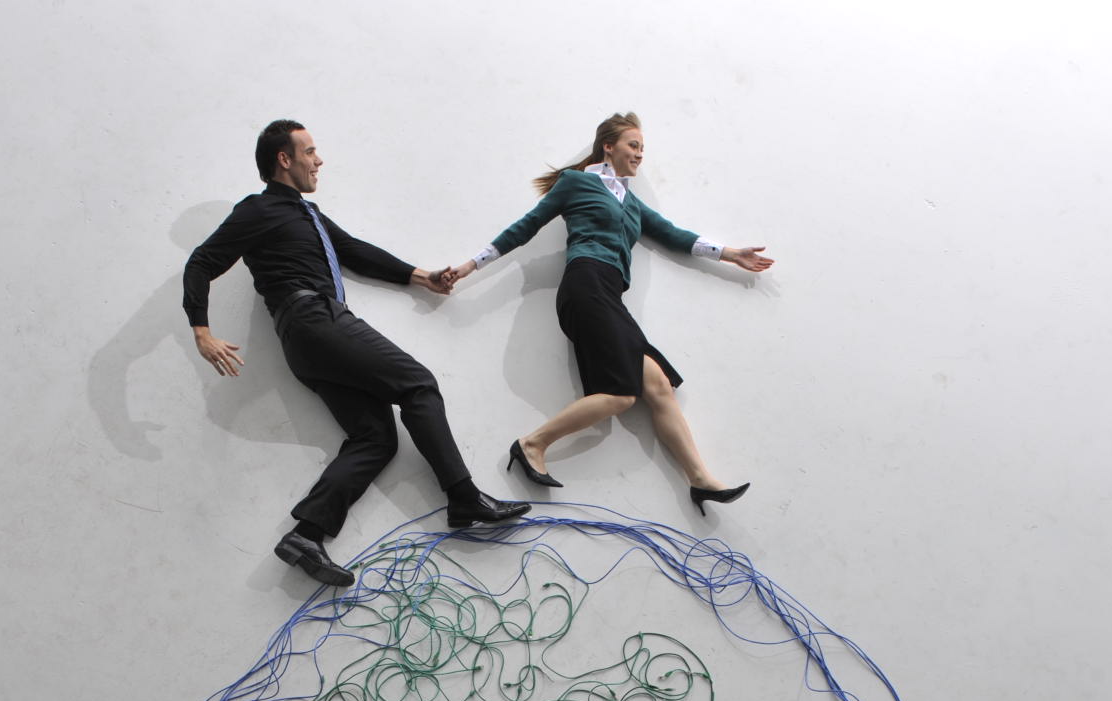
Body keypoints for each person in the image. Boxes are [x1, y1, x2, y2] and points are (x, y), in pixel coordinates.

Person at [183, 121, 529, 588]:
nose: (319, 160)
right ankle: (463, 496)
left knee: (375, 438)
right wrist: (202, 331)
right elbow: (202, 261)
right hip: (314, 320)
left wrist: (420, 276)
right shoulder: (259, 209)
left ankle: (306, 535)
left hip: (308, 338)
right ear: (284, 159)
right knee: (419, 384)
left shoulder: (307, 214)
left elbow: (351, 251)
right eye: (310, 151)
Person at [444, 113, 773, 515]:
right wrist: (470, 266)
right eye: (633, 145)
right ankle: (532, 444)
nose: (640, 154)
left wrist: (730, 254)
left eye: (643, 149)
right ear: (608, 146)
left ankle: (700, 480)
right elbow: (524, 228)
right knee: (620, 395)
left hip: (610, 295)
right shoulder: (576, 183)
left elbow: (674, 234)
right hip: (585, 284)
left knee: (657, 385)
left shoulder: (632, 204)